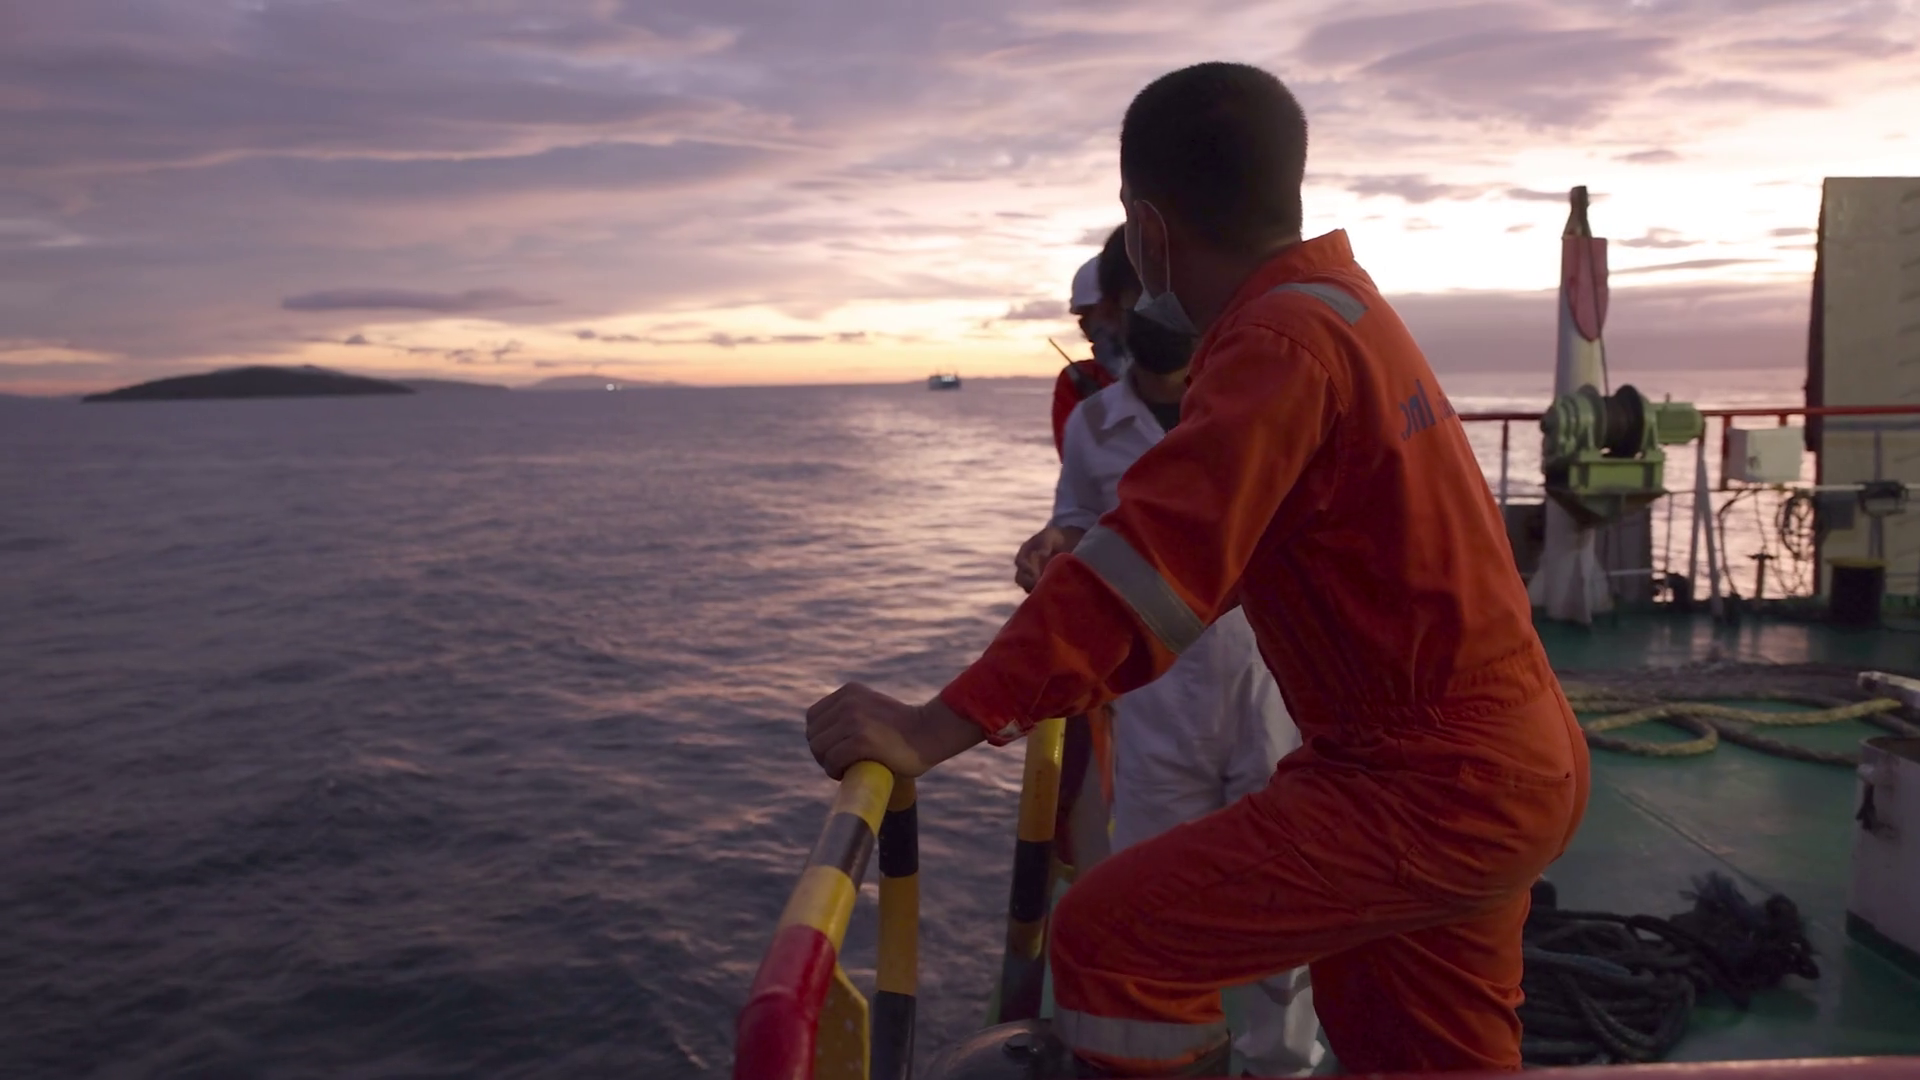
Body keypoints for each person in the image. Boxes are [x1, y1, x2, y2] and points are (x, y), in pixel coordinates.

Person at [805, 60, 1589, 1079]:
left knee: (1113, 940)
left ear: (1148, 229)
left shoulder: (1277, 343)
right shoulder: (1347, 311)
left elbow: (1144, 576)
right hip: (1502, 757)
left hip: (1424, 781)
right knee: (1418, 1050)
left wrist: (931, 727)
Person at [1018, 304, 1324, 1077]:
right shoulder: (1094, 424)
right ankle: (1173, 1064)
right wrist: (1055, 543)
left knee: (1281, 889)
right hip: (1158, 694)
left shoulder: (1248, 401)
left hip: (1268, 677)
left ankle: (1283, 1063)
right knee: (1150, 892)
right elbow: (1078, 517)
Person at [1051, 227, 1136, 460]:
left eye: (1097, 314)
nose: (1090, 331)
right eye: (1084, 319)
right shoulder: (1076, 381)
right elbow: (1079, 461)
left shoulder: (1194, 371)